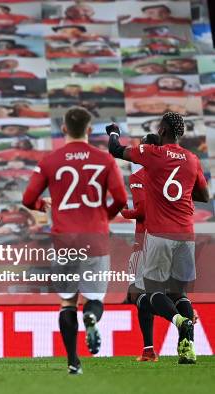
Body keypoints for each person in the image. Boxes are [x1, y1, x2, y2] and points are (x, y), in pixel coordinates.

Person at [22, 107, 128, 375]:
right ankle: (91, 317)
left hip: (64, 240)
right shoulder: (105, 160)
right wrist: (105, 217)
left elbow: (27, 199)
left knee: (68, 301)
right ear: (89, 130)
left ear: (64, 129)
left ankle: (73, 361)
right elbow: (121, 200)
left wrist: (41, 204)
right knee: (94, 298)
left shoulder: (50, 160)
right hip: (95, 236)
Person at [107, 112, 210, 365]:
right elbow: (205, 196)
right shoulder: (192, 159)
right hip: (186, 234)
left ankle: (180, 322)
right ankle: (187, 350)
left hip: (159, 234)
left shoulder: (153, 154)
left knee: (152, 293)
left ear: (162, 131)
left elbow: (116, 150)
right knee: (180, 295)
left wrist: (113, 131)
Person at [119, 133, 161, 362]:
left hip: (144, 241)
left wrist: (123, 211)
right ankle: (183, 318)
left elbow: (143, 211)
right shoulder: (171, 173)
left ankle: (149, 348)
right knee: (171, 291)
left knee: (139, 295)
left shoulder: (138, 175)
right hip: (172, 238)